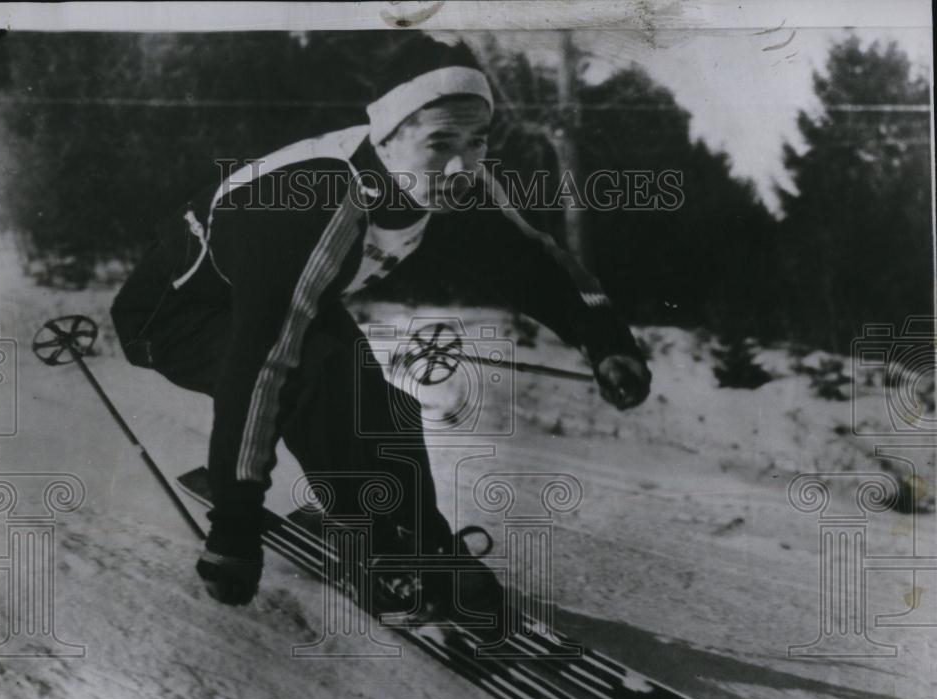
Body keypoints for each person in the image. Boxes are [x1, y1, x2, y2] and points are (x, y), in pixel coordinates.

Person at [110, 35, 651, 619]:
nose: (461, 165)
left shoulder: (454, 183)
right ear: (388, 138)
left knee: (384, 403)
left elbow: (536, 266)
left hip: (279, 296)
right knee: (315, 371)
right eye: (440, 143)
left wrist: (607, 341)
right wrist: (234, 529)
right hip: (174, 315)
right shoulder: (317, 203)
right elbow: (262, 369)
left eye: (476, 143)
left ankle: (423, 541)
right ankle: (364, 533)